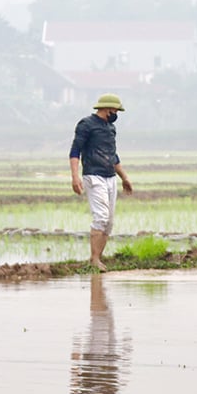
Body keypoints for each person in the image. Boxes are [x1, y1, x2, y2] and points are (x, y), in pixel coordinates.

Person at [69, 93, 133, 271]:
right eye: (115, 110)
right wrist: (75, 177)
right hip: (93, 175)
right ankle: (95, 259)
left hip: (110, 176)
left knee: (109, 222)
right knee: (101, 217)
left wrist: (124, 177)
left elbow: (113, 155)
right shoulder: (86, 125)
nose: (116, 114)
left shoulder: (110, 128)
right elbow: (75, 151)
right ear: (107, 109)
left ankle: (96, 258)